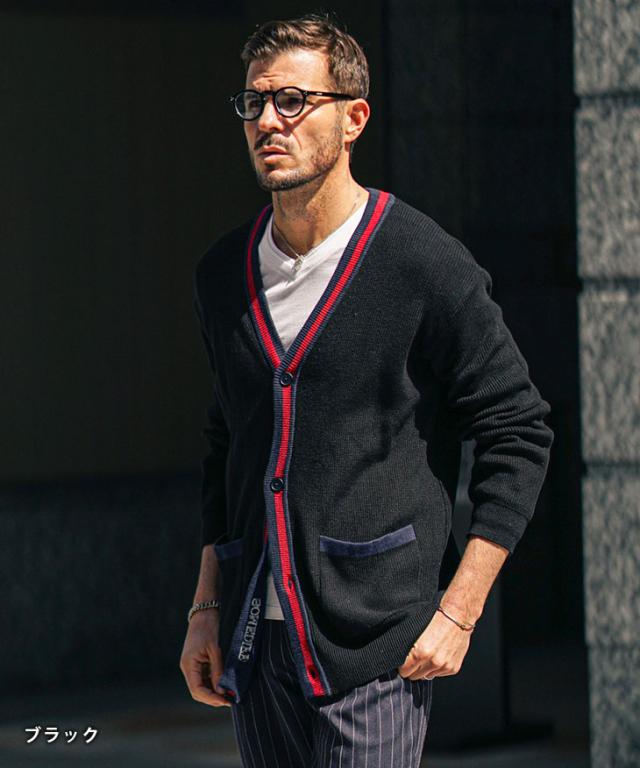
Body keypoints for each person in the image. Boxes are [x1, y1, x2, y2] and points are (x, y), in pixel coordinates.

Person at [180, 12, 554, 767]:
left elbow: (518, 427)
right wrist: (206, 606)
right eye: (254, 102)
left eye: (293, 101)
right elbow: (229, 443)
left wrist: (460, 610)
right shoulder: (222, 275)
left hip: (376, 643)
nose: (268, 121)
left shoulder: (421, 261)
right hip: (256, 644)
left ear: (353, 118)